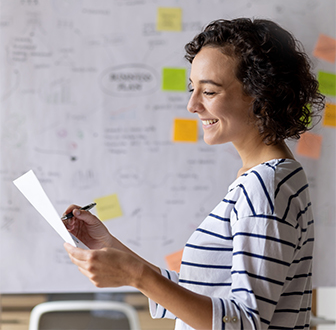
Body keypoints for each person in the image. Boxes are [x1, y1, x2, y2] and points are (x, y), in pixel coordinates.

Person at [63, 18, 325, 329]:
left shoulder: (265, 188)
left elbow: (245, 323)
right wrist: (110, 246)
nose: (192, 105)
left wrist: (137, 275)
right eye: (192, 89)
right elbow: (208, 294)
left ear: (259, 95)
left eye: (209, 92)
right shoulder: (264, 180)